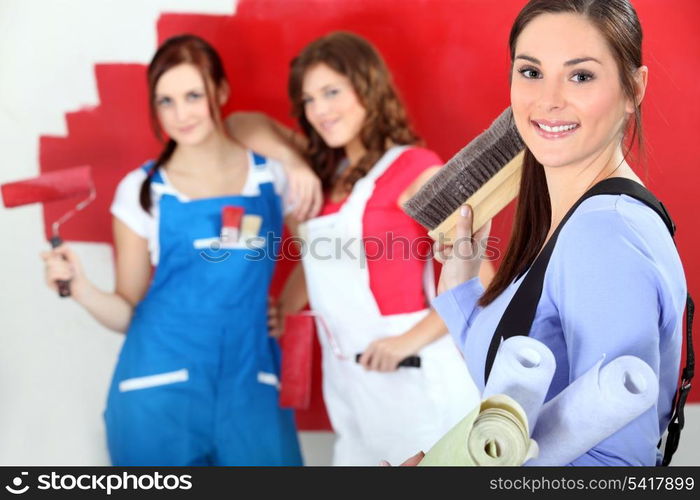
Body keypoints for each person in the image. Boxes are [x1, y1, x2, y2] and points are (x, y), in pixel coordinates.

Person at [40, 34, 321, 465]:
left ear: (220, 92)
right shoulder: (143, 191)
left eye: (193, 95)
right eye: (165, 101)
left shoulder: (274, 176)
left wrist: (286, 305)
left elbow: (318, 255)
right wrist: (79, 287)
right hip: (158, 392)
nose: (180, 114)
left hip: (251, 384)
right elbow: (126, 312)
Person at [432, 0, 687, 466]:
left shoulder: (604, 236)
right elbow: (511, 385)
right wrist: (459, 286)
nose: (548, 100)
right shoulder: (572, 222)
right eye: (531, 72)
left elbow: (618, 470)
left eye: (581, 75)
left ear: (634, 88)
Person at [227, 31, 490, 465]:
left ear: (367, 87)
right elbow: (239, 125)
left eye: (332, 92)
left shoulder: (416, 169)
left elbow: (480, 278)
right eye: (309, 100)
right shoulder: (323, 175)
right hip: (349, 383)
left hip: (417, 380)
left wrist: (405, 342)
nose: (320, 111)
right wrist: (295, 163)